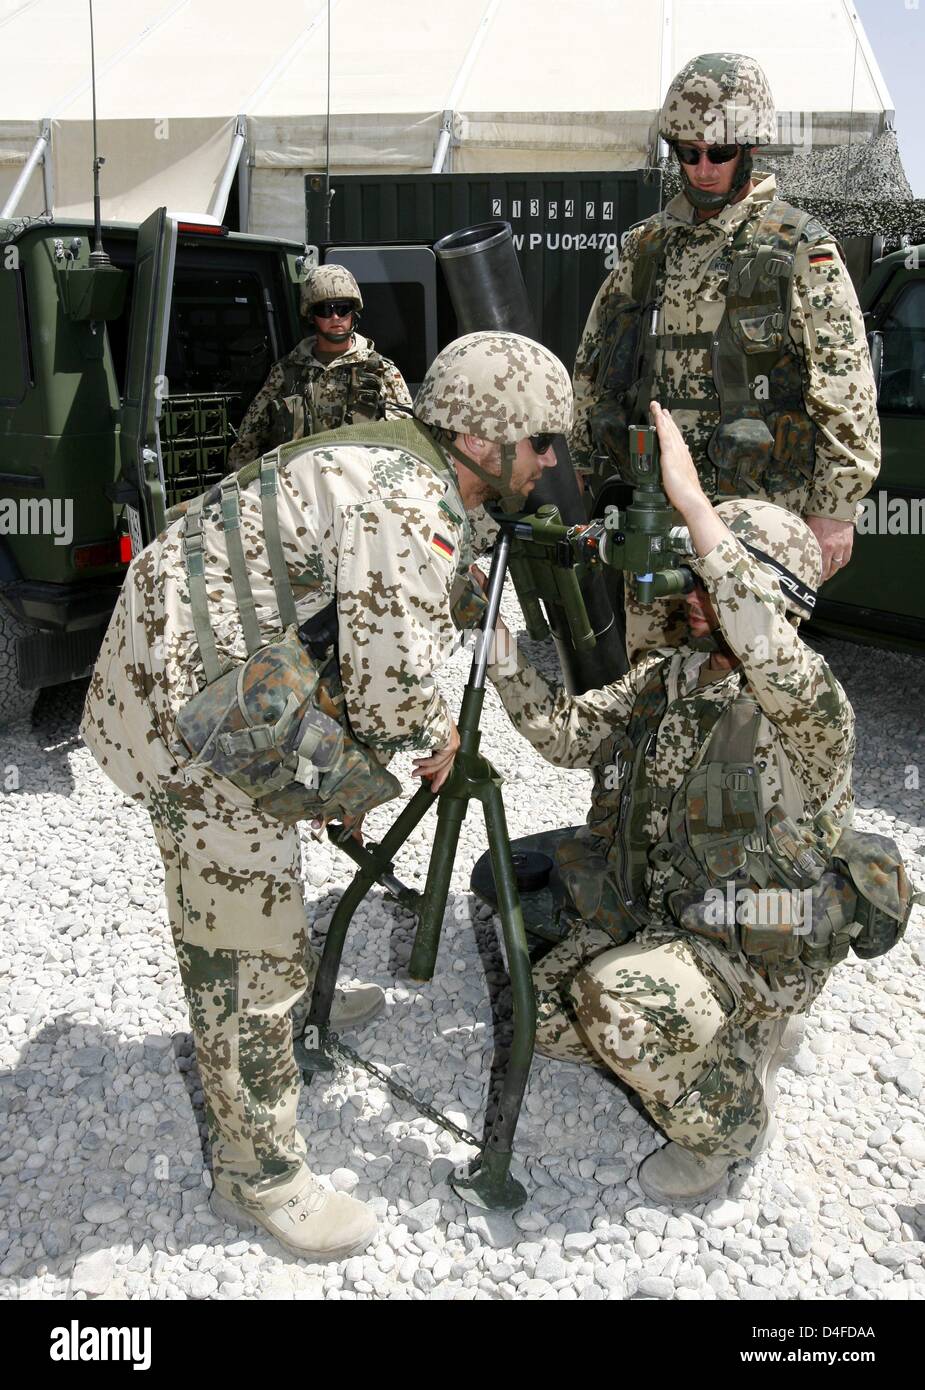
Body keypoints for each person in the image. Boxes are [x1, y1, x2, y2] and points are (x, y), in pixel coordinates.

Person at [80, 331, 571, 1259]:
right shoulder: (405, 497)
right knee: (240, 942)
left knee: (286, 840)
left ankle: (291, 997)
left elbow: (449, 606)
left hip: (230, 666)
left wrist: (541, 711)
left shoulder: (418, 465)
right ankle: (256, 1175)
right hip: (194, 699)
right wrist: (439, 733)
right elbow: (393, 686)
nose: (552, 459)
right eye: (542, 440)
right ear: (487, 439)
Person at [481, 402, 915, 1202]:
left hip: (753, 942)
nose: (691, 596)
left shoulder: (807, 707)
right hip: (669, 916)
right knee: (544, 1022)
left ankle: (735, 1126)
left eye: (712, 584)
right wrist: (498, 645)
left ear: (768, 596)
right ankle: (731, 1033)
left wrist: (689, 499)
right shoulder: (671, 675)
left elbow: (761, 639)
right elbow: (569, 736)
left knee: (619, 1011)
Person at [569, 52, 880, 660]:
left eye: (719, 153)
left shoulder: (798, 247)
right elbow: (595, 362)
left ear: (751, 149)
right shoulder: (647, 247)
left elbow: (845, 387)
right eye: (688, 153)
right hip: (656, 509)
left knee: (748, 681)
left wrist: (837, 509)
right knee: (650, 677)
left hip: (758, 514)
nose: (703, 168)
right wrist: (583, 462)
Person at [226, 264, 412, 469]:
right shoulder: (286, 372)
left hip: (361, 488)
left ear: (353, 314)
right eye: (325, 310)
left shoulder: (381, 372)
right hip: (300, 490)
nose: (335, 317)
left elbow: (406, 442)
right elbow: (247, 442)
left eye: (343, 309)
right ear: (311, 316)